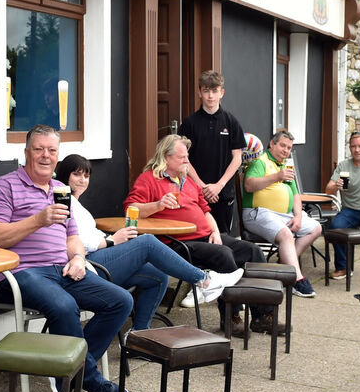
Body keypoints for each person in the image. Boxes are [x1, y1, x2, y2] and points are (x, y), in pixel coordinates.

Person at [0, 125, 133, 392]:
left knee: (120, 301)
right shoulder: (4, 186)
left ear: (58, 154)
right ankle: (89, 379)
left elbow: (73, 238)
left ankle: (66, 372)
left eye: (51, 150)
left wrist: (78, 258)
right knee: (64, 306)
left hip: (62, 269)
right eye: (38, 149)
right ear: (26, 152)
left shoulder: (60, 189)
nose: (45, 155)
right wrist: (38, 220)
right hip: (20, 272)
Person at [55, 154, 243, 331]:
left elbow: (88, 234)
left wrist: (113, 238)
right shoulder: (65, 202)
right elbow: (79, 242)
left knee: (158, 276)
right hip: (88, 266)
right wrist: (112, 241)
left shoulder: (76, 204)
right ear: (65, 175)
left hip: (97, 258)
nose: (82, 180)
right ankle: (205, 280)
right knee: (147, 242)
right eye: (76, 174)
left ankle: (139, 334)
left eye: (86, 175)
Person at [124, 134, 281, 335]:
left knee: (252, 251)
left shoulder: (187, 181)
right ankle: (231, 317)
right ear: (166, 157)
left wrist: (215, 232)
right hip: (175, 243)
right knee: (223, 254)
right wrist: (158, 205)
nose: (187, 161)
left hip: (206, 236)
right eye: (182, 157)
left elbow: (206, 211)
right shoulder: (149, 179)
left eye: (187, 156)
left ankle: (263, 316)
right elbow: (131, 209)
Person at [242, 129, 322, 297]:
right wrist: (277, 176)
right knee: (286, 235)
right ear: (272, 144)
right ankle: (296, 280)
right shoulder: (260, 161)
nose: (286, 150)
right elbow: (249, 185)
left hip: (283, 216)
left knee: (315, 228)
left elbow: (296, 195)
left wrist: (298, 216)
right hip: (258, 213)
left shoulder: (285, 166)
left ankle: (283, 266)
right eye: (282, 146)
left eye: (289, 148)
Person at [178, 70, 245, 234]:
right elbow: (182, 159)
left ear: (222, 93)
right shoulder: (189, 124)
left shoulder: (231, 122)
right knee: (196, 236)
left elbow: (237, 158)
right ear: (199, 92)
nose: (210, 96)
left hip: (223, 194)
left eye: (214, 91)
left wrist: (218, 186)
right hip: (195, 193)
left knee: (222, 237)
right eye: (206, 90)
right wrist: (202, 187)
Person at [324, 130, 360, 279]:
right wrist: (336, 186)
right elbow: (328, 189)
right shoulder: (344, 166)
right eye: (353, 146)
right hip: (350, 210)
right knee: (335, 227)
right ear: (349, 148)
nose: (357, 150)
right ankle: (343, 267)